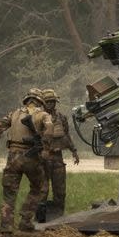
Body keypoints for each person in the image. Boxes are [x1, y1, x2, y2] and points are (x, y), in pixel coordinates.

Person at [0, 88, 53, 237]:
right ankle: (25, 219)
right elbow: (49, 129)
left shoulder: (14, 114)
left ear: (26, 100)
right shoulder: (43, 115)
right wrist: (45, 148)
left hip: (13, 157)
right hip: (32, 158)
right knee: (40, 186)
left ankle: (6, 235)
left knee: (9, 195)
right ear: (40, 102)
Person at [38, 88, 79, 221]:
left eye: (53, 101)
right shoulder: (38, 118)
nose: (51, 104)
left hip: (58, 158)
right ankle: (40, 218)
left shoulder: (61, 118)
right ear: (43, 103)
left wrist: (74, 151)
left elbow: (66, 136)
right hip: (43, 158)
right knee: (42, 190)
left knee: (60, 190)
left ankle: (58, 217)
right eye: (48, 101)